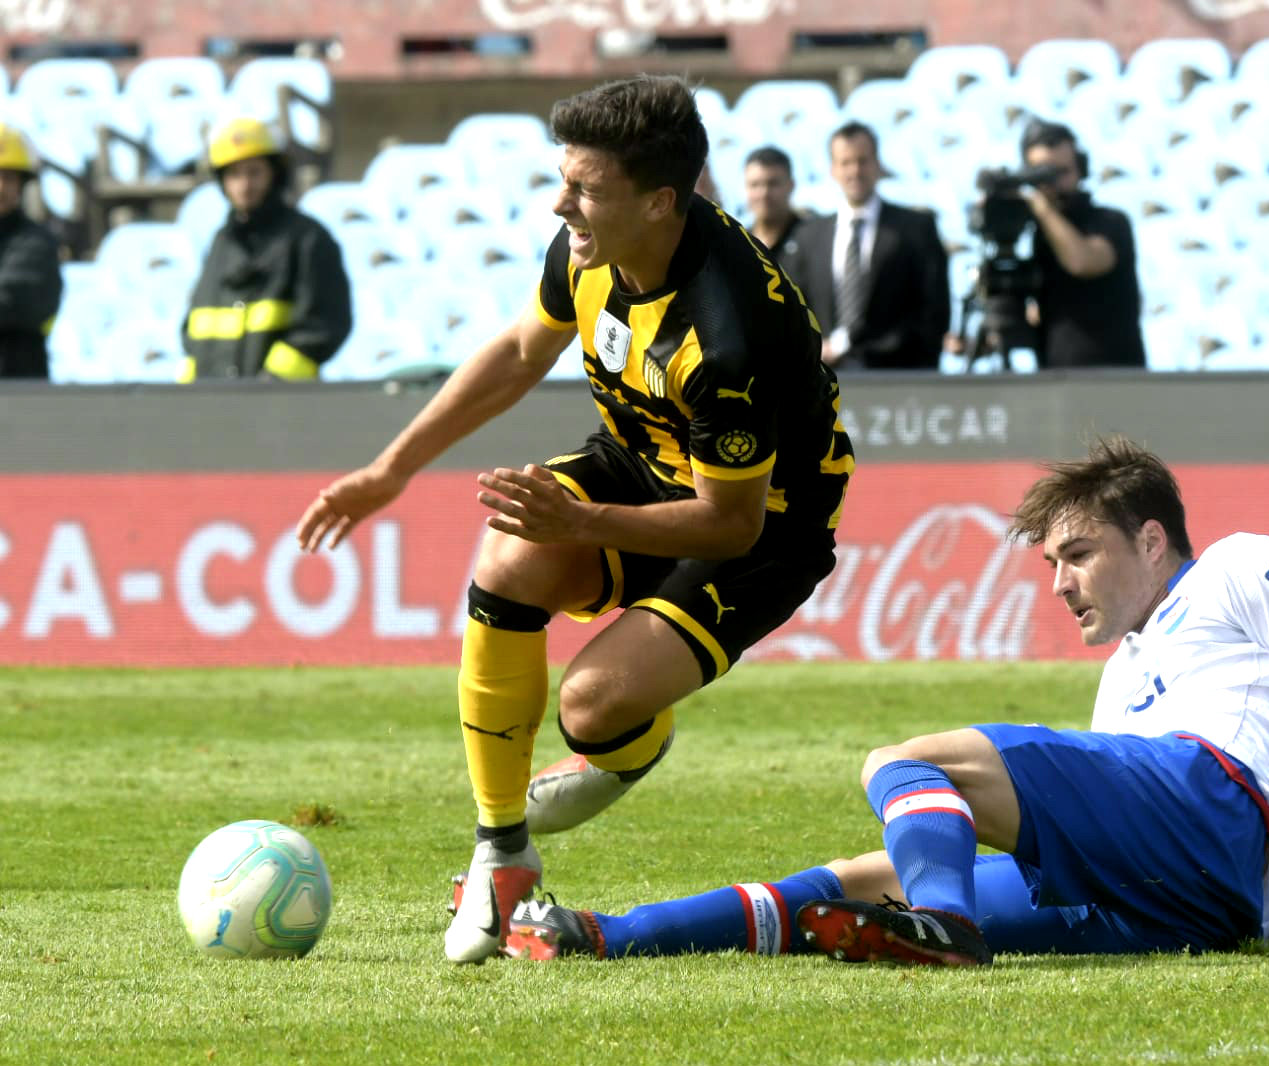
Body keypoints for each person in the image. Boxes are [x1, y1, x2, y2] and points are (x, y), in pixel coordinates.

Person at [294, 75, 852, 965]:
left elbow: (729, 526)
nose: (561, 205)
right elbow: (521, 352)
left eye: (584, 189)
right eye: (564, 181)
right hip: (641, 460)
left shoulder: (727, 338)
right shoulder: (592, 246)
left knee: (590, 710)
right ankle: (502, 853)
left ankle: (625, 743)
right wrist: (388, 470)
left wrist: (582, 519)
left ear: (659, 201)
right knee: (508, 555)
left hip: (764, 525)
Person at [500, 436, 1269, 964]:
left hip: (1213, 811)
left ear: (1152, 541)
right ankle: (606, 937)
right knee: (861, 881)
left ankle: (943, 931)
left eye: (1078, 555)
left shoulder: (1236, 566)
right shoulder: (1122, 673)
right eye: (1051, 563)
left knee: (905, 764)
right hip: (1194, 907)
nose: (1060, 583)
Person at [181, 116, 352, 381]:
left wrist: (272, 382)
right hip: (214, 399)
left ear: (275, 173)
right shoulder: (221, 243)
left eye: (254, 172)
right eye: (234, 174)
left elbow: (323, 324)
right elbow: (195, 330)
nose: (244, 185)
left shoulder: (309, 239)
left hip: (284, 400)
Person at [786, 121, 949, 371]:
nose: (855, 171)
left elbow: (933, 313)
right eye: (846, 162)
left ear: (878, 164)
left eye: (863, 160)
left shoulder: (916, 230)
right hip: (824, 382)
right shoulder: (808, 236)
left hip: (896, 377)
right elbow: (794, 310)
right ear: (833, 169)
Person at [1019, 120, 1146, 369]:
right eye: (1042, 173)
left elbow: (1082, 261)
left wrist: (1043, 210)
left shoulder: (1111, 222)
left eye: (1062, 172)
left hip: (1116, 379)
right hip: (1056, 380)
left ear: (1081, 169)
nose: (1053, 183)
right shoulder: (1037, 237)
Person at [0, 123, 62, 380]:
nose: (0, 187)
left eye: (8, 178)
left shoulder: (36, 243)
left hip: (20, 388)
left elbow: (13, 299)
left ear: (21, 185)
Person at [741, 145, 805, 271]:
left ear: (791, 186)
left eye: (772, 183)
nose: (763, 194)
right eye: (754, 185)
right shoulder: (738, 243)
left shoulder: (812, 238)